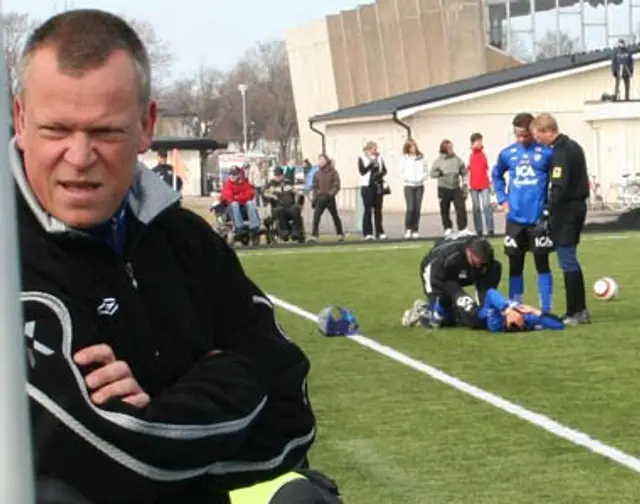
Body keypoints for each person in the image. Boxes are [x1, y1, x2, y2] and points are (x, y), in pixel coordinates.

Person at [14, 10, 316, 504]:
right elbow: (89, 460)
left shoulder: (186, 240)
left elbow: (293, 417)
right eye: (56, 130)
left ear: (146, 124)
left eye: (105, 132)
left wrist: (156, 412)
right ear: (22, 119)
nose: (79, 157)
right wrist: (231, 376)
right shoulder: (10, 256)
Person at [492, 112, 555, 313]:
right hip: (515, 219)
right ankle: (515, 306)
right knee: (515, 264)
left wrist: (549, 205)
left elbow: (557, 180)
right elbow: (496, 174)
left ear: (533, 131)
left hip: (537, 218)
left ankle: (545, 308)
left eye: (525, 135)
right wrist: (502, 199)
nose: (521, 139)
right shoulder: (507, 153)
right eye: (518, 135)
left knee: (542, 263)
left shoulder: (546, 153)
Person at [532, 113, 591, 325]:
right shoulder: (574, 146)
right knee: (570, 258)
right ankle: (580, 309)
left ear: (547, 131)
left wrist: (547, 211)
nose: (538, 140)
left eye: (538, 135)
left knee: (567, 259)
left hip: (567, 210)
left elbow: (559, 185)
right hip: (577, 207)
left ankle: (575, 311)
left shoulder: (560, 152)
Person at [411, 234, 503, 329]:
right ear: (468, 252)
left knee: (477, 314)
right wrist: (435, 298)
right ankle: (423, 311)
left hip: (461, 273)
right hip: (439, 273)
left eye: (482, 264)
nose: (479, 266)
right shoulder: (446, 258)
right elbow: (433, 276)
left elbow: (486, 292)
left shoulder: (490, 261)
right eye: (475, 263)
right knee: (446, 318)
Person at [402, 287, 564, 332]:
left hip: (472, 316)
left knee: (449, 291)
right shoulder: (527, 318)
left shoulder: (497, 323)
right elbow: (558, 324)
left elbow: (491, 293)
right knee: (450, 302)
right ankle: (427, 311)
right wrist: (537, 311)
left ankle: (428, 316)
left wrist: (505, 308)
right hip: (473, 310)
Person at [430, 139, 470, 236]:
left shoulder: (457, 159)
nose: (451, 149)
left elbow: (464, 172)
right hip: (443, 187)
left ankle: (462, 228)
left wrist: (465, 185)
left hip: (455, 187)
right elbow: (432, 174)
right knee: (444, 209)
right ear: (444, 149)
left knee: (461, 207)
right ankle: (447, 227)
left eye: (452, 147)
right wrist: (440, 173)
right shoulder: (438, 161)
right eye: (449, 148)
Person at [263, 166, 305, 243]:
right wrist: (273, 196)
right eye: (276, 176)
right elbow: (265, 194)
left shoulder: (289, 183)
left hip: (290, 206)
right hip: (277, 206)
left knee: (296, 209)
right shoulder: (270, 185)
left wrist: (299, 195)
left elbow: (297, 192)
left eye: (279, 175)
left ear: (283, 175)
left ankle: (296, 232)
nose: (278, 177)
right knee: (279, 210)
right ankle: (284, 231)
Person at [220, 166, 262, 243]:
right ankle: (239, 228)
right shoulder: (227, 185)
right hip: (230, 210)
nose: (232, 176)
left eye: (234, 174)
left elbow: (250, 195)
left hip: (243, 207)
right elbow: (229, 198)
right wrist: (241, 197)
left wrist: (237, 197)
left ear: (239, 175)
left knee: (250, 203)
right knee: (234, 204)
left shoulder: (245, 183)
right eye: (231, 174)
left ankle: (254, 227)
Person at [310, 154, 344, 242]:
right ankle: (314, 235)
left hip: (329, 198)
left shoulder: (333, 172)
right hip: (320, 198)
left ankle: (340, 234)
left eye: (321, 160)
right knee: (316, 217)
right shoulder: (317, 173)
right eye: (319, 160)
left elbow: (336, 185)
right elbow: (314, 186)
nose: (320, 162)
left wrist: (330, 194)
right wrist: (315, 197)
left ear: (326, 161)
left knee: (335, 216)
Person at [357, 141, 388, 240]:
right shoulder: (362, 158)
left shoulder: (379, 158)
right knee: (367, 210)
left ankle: (379, 231)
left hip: (377, 186)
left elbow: (384, 170)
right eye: (373, 149)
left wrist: (380, 174)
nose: (375, 151)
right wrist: (371, 164)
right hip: (367, 187)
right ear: (368, 149)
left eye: (376, 149)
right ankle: (367, 232)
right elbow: (362, 171)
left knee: (378, 210)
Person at [399, 138, 427, 239]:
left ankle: (415, 229)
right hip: (409, 186)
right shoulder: (404, 159)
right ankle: (408, 228)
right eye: (411, 147)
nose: (413, 148)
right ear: (408, 148)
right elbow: (401, 171)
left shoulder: (421, 158)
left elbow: (425, 170)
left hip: (419, 185)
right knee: (410, 208)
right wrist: (408, 178)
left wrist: (422, 178)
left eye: (414, 146)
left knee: (417, 208)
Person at [467, 133, 494, 236]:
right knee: (476, 207)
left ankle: (490, 229)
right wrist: (465, 185)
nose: (479, 143)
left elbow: (489, 169)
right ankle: (479, 229)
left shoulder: (485, 153)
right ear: (472, 143)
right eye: (477, 141)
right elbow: (466, 170)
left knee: (487, 206)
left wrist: (491, 184)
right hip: (473, 185)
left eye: (480, 141)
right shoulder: (469, 154)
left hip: (484, 184)